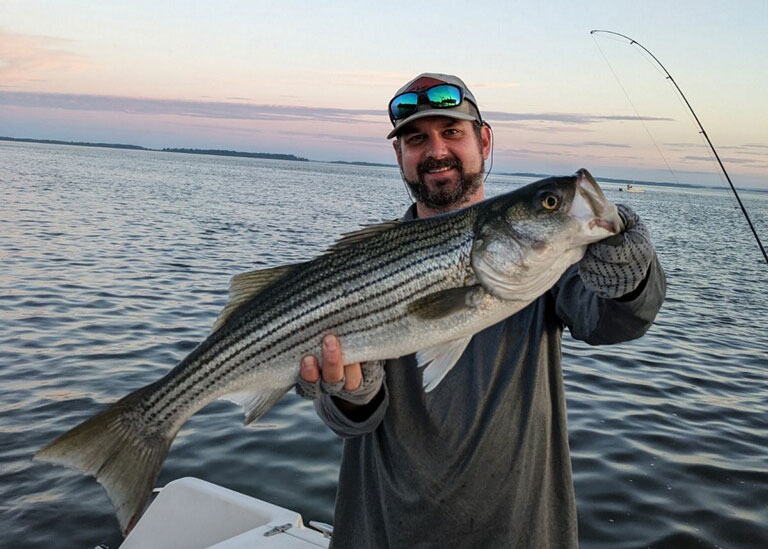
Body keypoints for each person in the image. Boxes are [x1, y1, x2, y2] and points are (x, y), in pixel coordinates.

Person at [296, 73, 666, 548]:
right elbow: (348, 422)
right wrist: (351, 395)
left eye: (452, 132)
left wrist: (629, 273)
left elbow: (617, 322)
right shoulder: (364, 265)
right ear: (399, 155)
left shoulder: (552, 260)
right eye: (416, 139)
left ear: (484, 141)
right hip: (382, 528)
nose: (436, 151)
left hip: (520, 532)